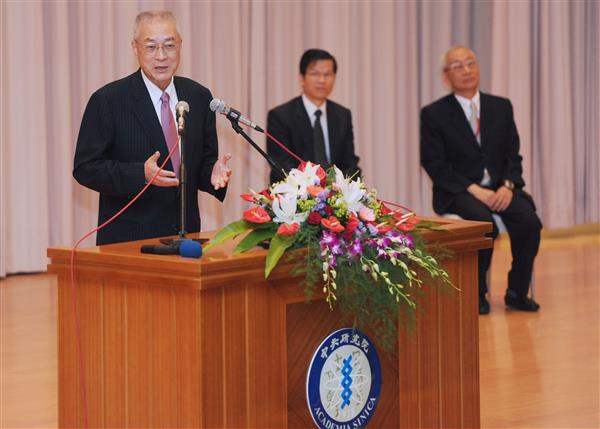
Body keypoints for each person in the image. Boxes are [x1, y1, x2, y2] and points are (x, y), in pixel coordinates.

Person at [73, 10, 231, 245]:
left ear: (180, 46)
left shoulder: (198, 96)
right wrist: (141, 174)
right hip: (129, 242)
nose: (161, 56)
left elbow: (201, 162)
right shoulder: (108, 100)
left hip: (187, 239)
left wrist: (213, 173)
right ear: (135, 48)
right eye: (151, 47)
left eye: (169, 46)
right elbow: (86, 168)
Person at [420, 45, 542, 315]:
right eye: (457, 66)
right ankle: (476, 294)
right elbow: (434, 164)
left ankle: (516, 291)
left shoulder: (500, 106)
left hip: (501, 188)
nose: (466, 70)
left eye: (471, 63)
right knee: (484, 225)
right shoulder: (434, 114)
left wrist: (508, 186)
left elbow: (513, 155)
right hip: (459, 191)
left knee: (529, 222)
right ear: (445, 76)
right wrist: (474, 189)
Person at [266, 49, 361, 183]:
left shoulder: (342, 115)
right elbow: (282, 165)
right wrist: (316, 189)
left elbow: (349, 162)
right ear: (302, 78)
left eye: (327, 74)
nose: (322, 80)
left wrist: (339, 187)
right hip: (296, 192)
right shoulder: (280, 116)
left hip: (336, 192)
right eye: (315, 74)